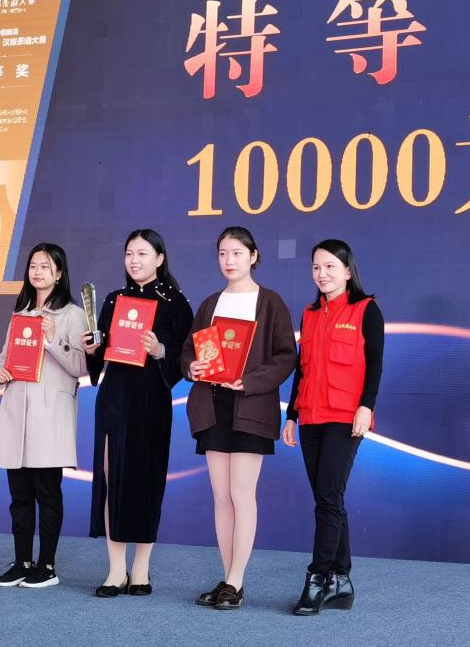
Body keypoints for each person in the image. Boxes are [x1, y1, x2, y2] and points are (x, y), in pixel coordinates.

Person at [181, 227, 297, 610]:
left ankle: (236, 579)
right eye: (222, 253)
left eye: (236, 253)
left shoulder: (270, 303)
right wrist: (192, 367)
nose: (229, 260)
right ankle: (228, 576)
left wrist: (249, 381)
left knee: (241, 493)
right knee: (220, 497)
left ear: (253, 256)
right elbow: (188, 350)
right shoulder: (210, 303)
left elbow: (286, 356)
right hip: (213, 406)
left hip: (251, 407)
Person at [84, 229, 193, 597]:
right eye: (129, 253)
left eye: (143, 253)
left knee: (146, 481)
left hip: (151, 401)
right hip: (114, 398)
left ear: (159, 259)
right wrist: (92, 348)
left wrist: (162, 350)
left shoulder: (176, 302)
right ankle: (115, 570)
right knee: (112, 479)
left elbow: (187, 357)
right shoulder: (113, 300)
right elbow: (99, 354)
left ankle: (141, 569)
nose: (134, 260)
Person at [282, 239, 384, 615]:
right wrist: (291, 415)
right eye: (316, 267)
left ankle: (318, 578)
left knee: (327, 497)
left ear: (347, 271)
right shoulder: (309, 314)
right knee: (329, 500)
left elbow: (375, 363)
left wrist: (365, 407)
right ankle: (341, 580)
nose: (322, 274)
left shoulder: (366, 309)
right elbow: (302, 368)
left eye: (329, 267)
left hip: (345, 418)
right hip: (311, 417)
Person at [0, 242, 89, 588]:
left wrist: (51, 340)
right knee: (19, 496)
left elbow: (81, 365)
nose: (38, 271)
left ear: (59, 274)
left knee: (47, 492)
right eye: (33, 265)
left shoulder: (73, 314)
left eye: (45, 266)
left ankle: (47, 565)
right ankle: (21, 561)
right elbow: (4, 356)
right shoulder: (21, 312)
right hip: (17, 411)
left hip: (50, 414)